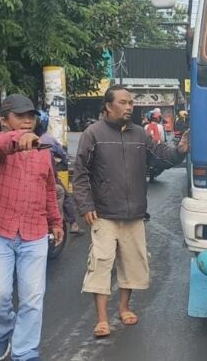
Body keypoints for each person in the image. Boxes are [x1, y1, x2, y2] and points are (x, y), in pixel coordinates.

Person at [73, 85, 189, 338]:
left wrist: (180, 150)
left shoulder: (139, 135)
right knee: (101, 264)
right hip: (103, 214)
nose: (129, 107)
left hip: (135, 214)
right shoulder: (93, 134)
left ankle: (124, 308)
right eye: (123, 102)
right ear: (108, 106)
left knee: (132, 264)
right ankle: (102, 319)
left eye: (131, 103)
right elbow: (80, 173)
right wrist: (85, 205)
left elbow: (160, 157)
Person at [0, 94, 64, 361]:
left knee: (32, 299)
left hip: (35, 233)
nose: (28, 120)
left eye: (31, 115)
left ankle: (25, 352)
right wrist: (17, 140)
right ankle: (3, 332)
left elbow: (49, 189)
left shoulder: (42, 153)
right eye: (20, 115)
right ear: (4, 120)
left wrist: (56, 221)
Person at [35, 111, 82, 235]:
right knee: (63, 194)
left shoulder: (24, 140)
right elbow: (61, 153)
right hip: (49, 174)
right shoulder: (48, 139)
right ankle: (70, 224)